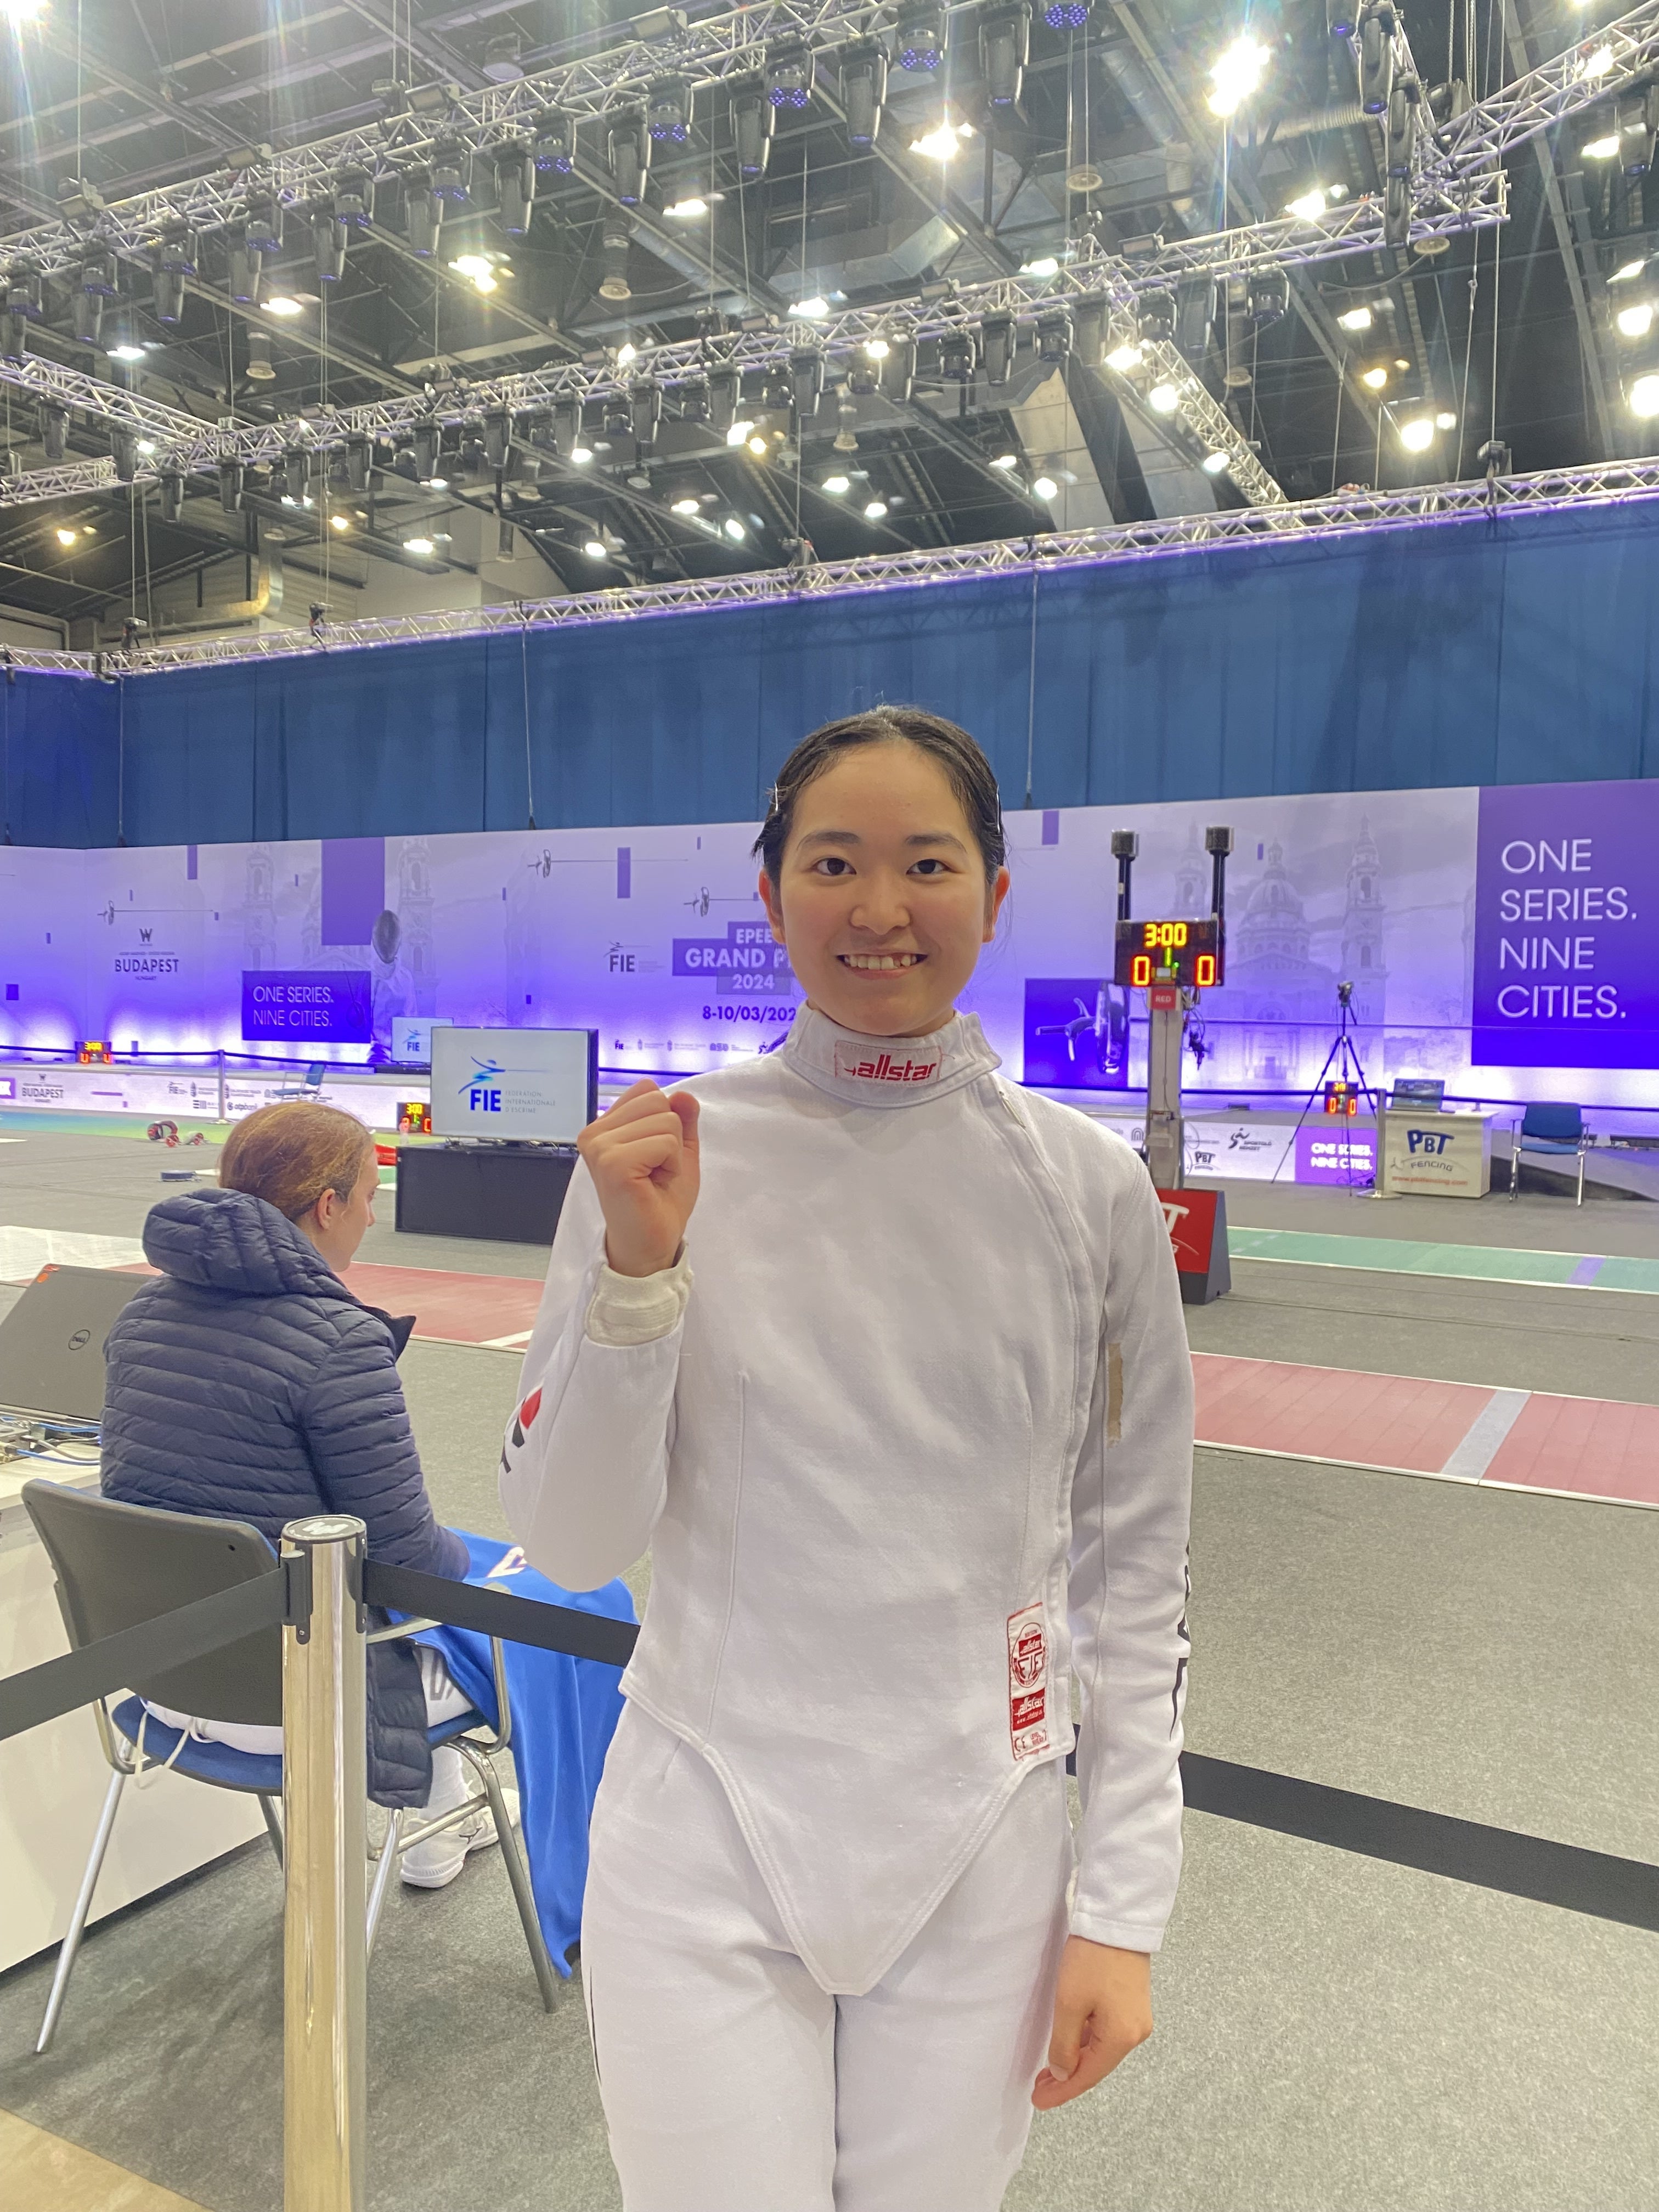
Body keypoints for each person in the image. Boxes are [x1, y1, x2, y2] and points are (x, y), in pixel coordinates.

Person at [501, 707, 1194, 2210]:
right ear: (772, 895)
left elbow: (1137, 1576)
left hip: (981, 1838)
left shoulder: (1090, 1191)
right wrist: (638, 1277)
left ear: (993, 896)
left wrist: (1124, 1906)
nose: (880, 907)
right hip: (703, 1824)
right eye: (833, 864)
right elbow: (569, 1543)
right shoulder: (660, 1159)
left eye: (926, 864)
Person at [101, 1098, 513, 1889]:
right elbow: (409, 1563)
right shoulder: (341, 1340)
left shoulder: (141, 1312)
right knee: (540, 1606)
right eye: (368, 1197)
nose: (371, 1216)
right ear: (328, 1206)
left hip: (162, 1679)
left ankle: (439, 1831)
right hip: (300, 1698)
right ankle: (463, 1837)